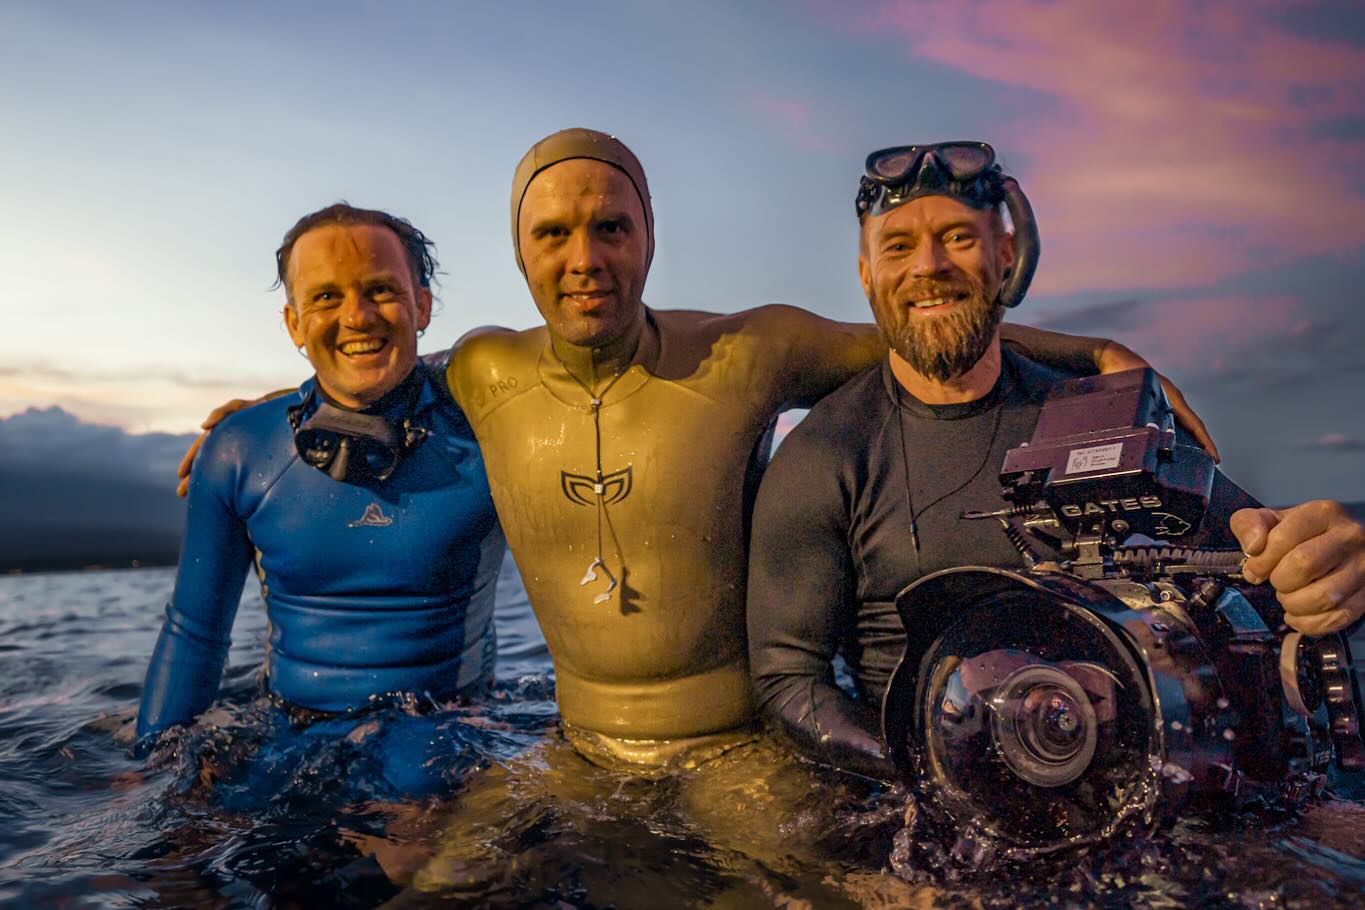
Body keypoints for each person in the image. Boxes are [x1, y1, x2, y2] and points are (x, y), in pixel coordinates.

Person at [745, 141, 1365, 781]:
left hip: (1141, 790)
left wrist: (1326, 570)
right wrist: (929, 780)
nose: (927, 266)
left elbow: (1265, 563)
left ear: (1006, 254)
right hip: (929, 820)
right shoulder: (827, 453)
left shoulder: (1107, 415)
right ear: (866, 275)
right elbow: (789, 680)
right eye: (898, 247)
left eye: (957, 237)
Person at [137, 204, 506, 793]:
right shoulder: (240, 450)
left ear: (424, 305)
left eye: (381, 290)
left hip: (447, 730)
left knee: (422, 855)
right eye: (327, 298)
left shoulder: (494, 431)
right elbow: (194, 632)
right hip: (286, 733)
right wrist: (152, 768)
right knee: (177, 864)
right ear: (293, 324)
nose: (357, 317)